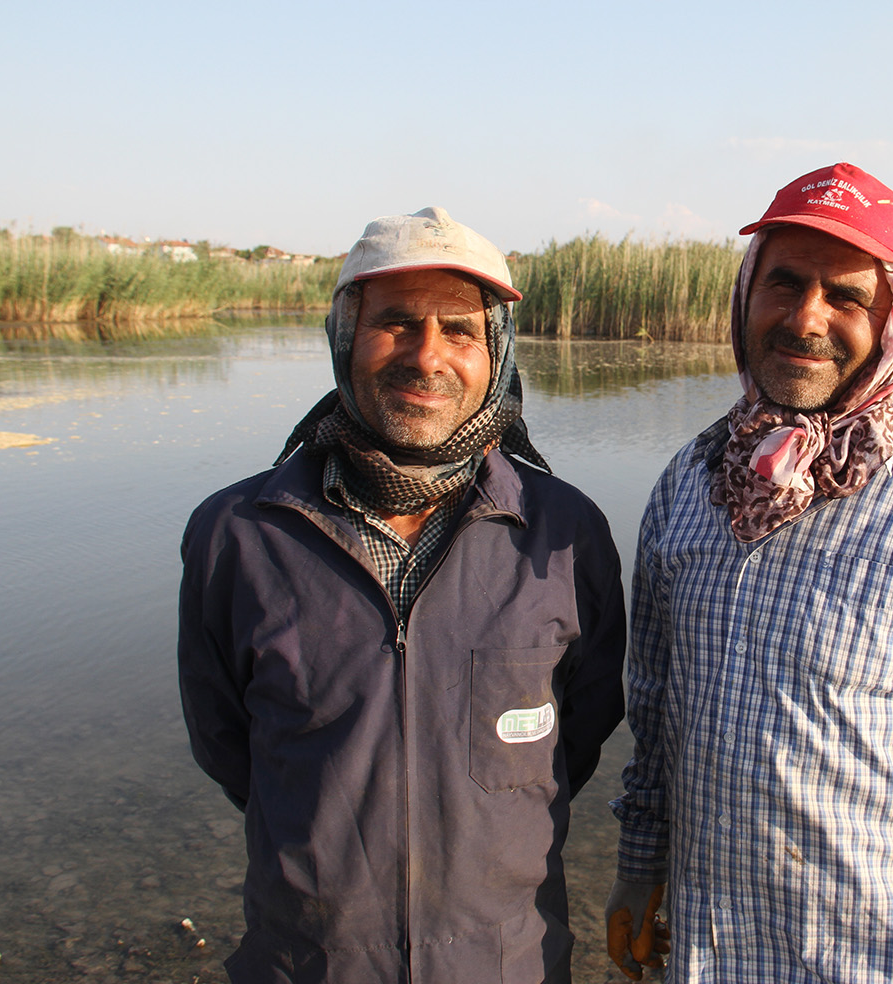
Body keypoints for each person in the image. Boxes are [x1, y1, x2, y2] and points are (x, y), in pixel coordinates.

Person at [606, 164, 893, 984]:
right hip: (709, 951)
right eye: (783, 282)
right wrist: (639, 867)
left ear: (892, 320)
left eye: (846, 296)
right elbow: (653, 707)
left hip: (880, 958)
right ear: (747, 296)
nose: (806, 317)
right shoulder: (689, 481)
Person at [179, 207, 626, 984]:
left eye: (459, 330)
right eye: (395, 323)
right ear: (345, 338)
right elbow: (229, 747)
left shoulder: (564, 532)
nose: (427, 356)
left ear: (497, 354)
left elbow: (579, 735)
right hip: (305, 964)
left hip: (509, 963)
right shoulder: (237, 534)